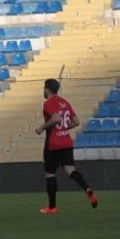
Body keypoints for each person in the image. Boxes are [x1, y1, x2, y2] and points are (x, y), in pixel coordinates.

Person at [34, 78, 98, 214]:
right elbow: (76, 121)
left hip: (53, 143)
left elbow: (56, 118)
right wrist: (63, 129)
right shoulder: (64, 102)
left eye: (44, 88)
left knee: (50, 174)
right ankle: (87, 188)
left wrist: (41, 128)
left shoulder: (48, 103)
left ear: (47, 89)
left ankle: (52, 207)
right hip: (66, 142)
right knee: (71, 171)